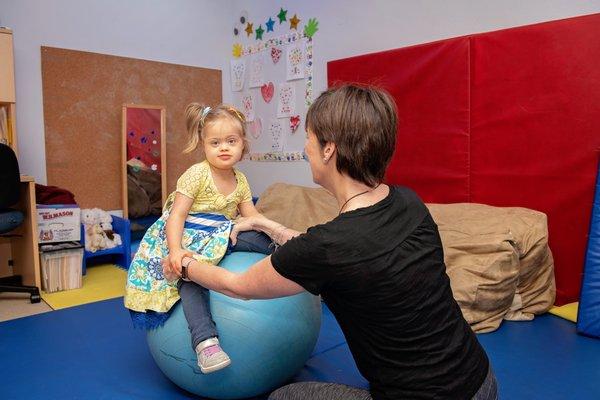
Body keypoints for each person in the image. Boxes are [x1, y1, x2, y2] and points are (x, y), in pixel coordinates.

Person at [163, 85, 498, 399]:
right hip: (481, 379)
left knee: (283, 397)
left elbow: (239, 286)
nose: (304, 148)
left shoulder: (328, 247)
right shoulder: (409, 202)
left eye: (308, 138)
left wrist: (184, 263)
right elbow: (341, 250)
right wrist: (269, 225)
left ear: (328, 149)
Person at [124, 103, 273, 374]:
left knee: (257, 236)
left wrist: (275, 231)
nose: (224, 148)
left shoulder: (240, 180)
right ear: (203, 145)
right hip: (190, 237)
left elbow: (251, 217)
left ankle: (294, 255)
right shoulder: (197, 174)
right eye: (215, 142)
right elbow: (176, 216)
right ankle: (205, 344)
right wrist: (176, 250)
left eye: (231, 141)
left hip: (220, 236)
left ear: (243, 145)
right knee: (191, 281)